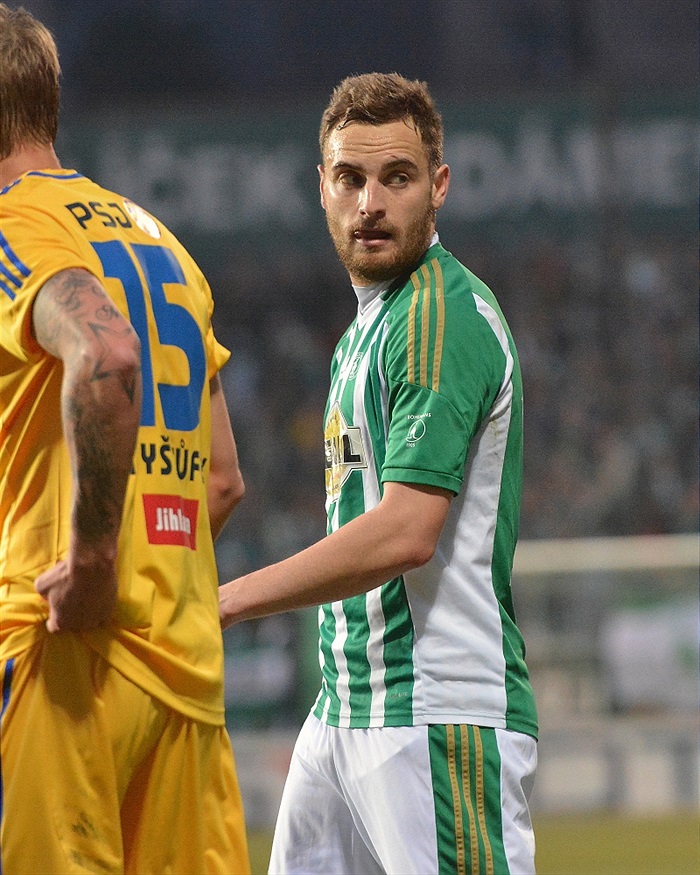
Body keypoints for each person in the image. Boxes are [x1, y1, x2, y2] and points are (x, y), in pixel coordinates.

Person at [219, 72, 538, 874]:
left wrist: (224, 599)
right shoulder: (370, 328)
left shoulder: (437, 317)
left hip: (433, 710)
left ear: (438, 188)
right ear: (320, 190)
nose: (370, 202)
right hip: (347, 709)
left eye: (396, 178)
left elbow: (405, 532)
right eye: (349, 179)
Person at [0, 5, 250, 873]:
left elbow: (105, 351)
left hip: (57, 659)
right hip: (182, 673)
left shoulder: (14, 230)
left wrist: (99, 561)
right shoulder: (166, 245)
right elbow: (221, 481)